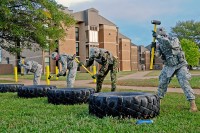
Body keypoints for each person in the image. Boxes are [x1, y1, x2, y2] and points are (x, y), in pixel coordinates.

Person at [153, 27, 198, 112]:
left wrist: (158, 37)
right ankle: (157, 104)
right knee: (162, 83)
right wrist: (154, 49)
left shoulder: (174, 39)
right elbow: (158, 55)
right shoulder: (159, 44)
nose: (160, 36)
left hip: (180, 65)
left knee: (184, 83)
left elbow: (170, 45)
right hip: (169, 66)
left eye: (161, 34)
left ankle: (193, 105)